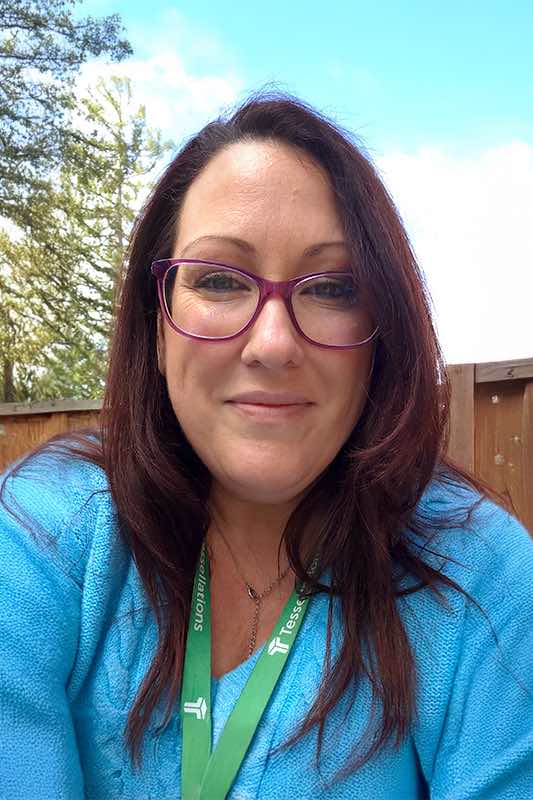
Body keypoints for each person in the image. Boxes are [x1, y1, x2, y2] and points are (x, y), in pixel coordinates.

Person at [1, 93, 532, 800]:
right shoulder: (40, 539)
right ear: (156, 328)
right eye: (219, 280)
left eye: (332, 288)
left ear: (381, 337)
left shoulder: (480, 578)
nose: (273, 343)